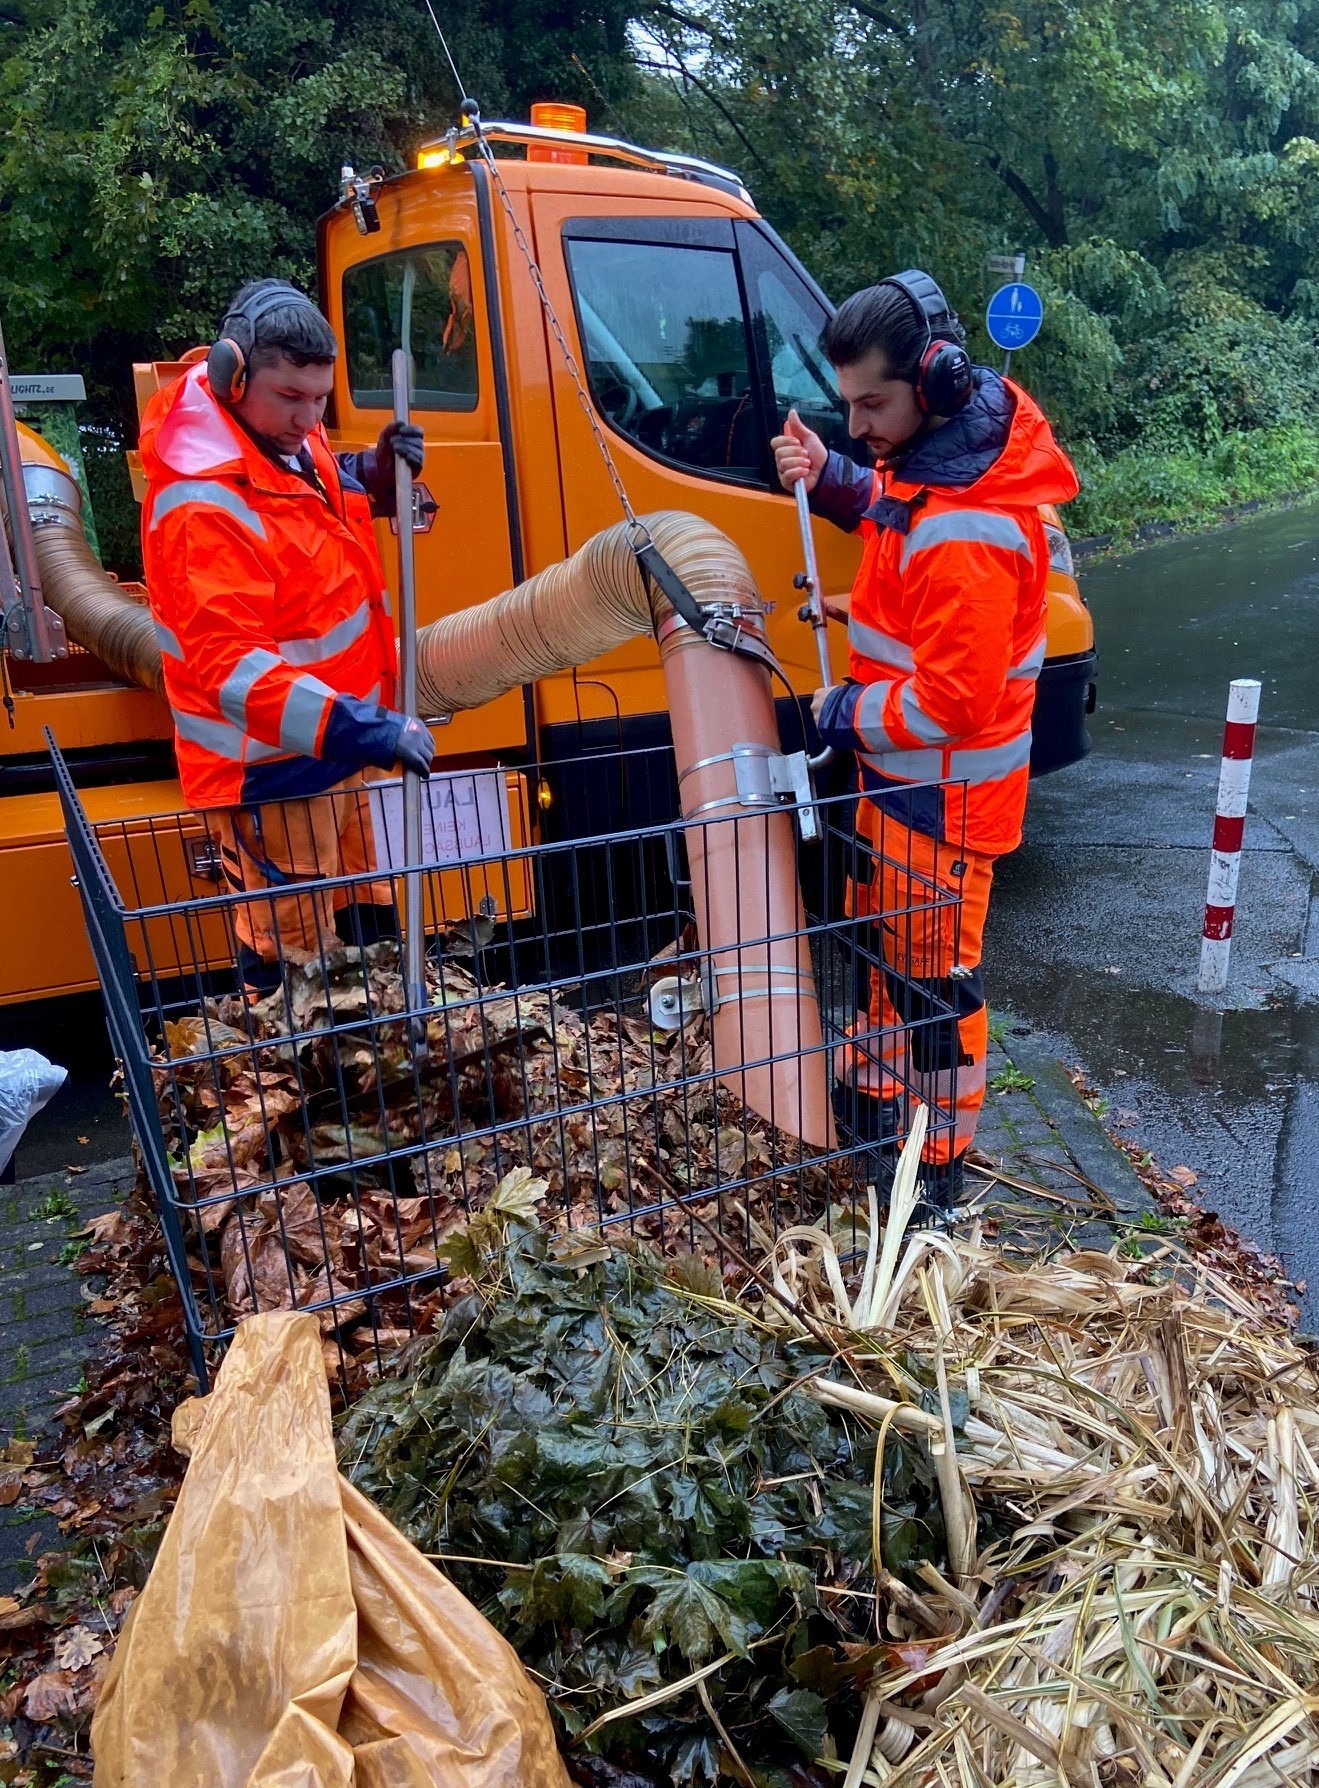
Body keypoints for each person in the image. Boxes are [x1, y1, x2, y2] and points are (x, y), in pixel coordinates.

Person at [772, 269, 1078, 1207]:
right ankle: (873, 1106)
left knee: (931, 988)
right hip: (902, 785)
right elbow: (893, 505)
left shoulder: (971, 528)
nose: (855, 424)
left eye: (871, 404)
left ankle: (936, 1170)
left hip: (942, 798)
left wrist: (837, 713)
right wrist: (830, 476)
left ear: (934, 382)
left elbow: (952, 702)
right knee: (883, 955)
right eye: (845, 405)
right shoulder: (935, 465)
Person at [138, 279, 435, 992]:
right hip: (270, 773)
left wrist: (372, 473)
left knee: (367, 939)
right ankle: (290, 1068)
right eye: (290, 397)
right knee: (291, 969)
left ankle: (382, 1054)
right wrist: (367, 729)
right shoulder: (201, 505)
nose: (308, 418)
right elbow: (234, 672)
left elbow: (310, 500)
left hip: (335, 750)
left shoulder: (277, 437)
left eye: (320, 400)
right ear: (232, 376)